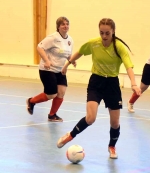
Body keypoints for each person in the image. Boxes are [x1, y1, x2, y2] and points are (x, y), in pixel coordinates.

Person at [56, 18, 141, 159]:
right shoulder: (94, 44)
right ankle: (70, 135)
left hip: (112, 84)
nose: (104, 36)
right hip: (96, 82)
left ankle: (112, 146)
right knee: (90, 118)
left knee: (115, 123)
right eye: (101, 33)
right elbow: (80, 52)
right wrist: (66, 65)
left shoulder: (119, 47)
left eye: (107, 33)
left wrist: (133, 83)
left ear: (113, 31)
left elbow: (128, 66)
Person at [26, 16, 75, 122]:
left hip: (60, 70)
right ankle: (31, 101)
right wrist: (47, 61)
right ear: (58, 27)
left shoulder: (70, 40)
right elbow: (39, 47)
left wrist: (72, 60)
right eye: (63, 24)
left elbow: (67, 54)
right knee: (51, 94)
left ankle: (52, 115)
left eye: (67, 24)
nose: (65, 26)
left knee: (61, 92)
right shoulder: (53, 38)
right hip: (47, 69)